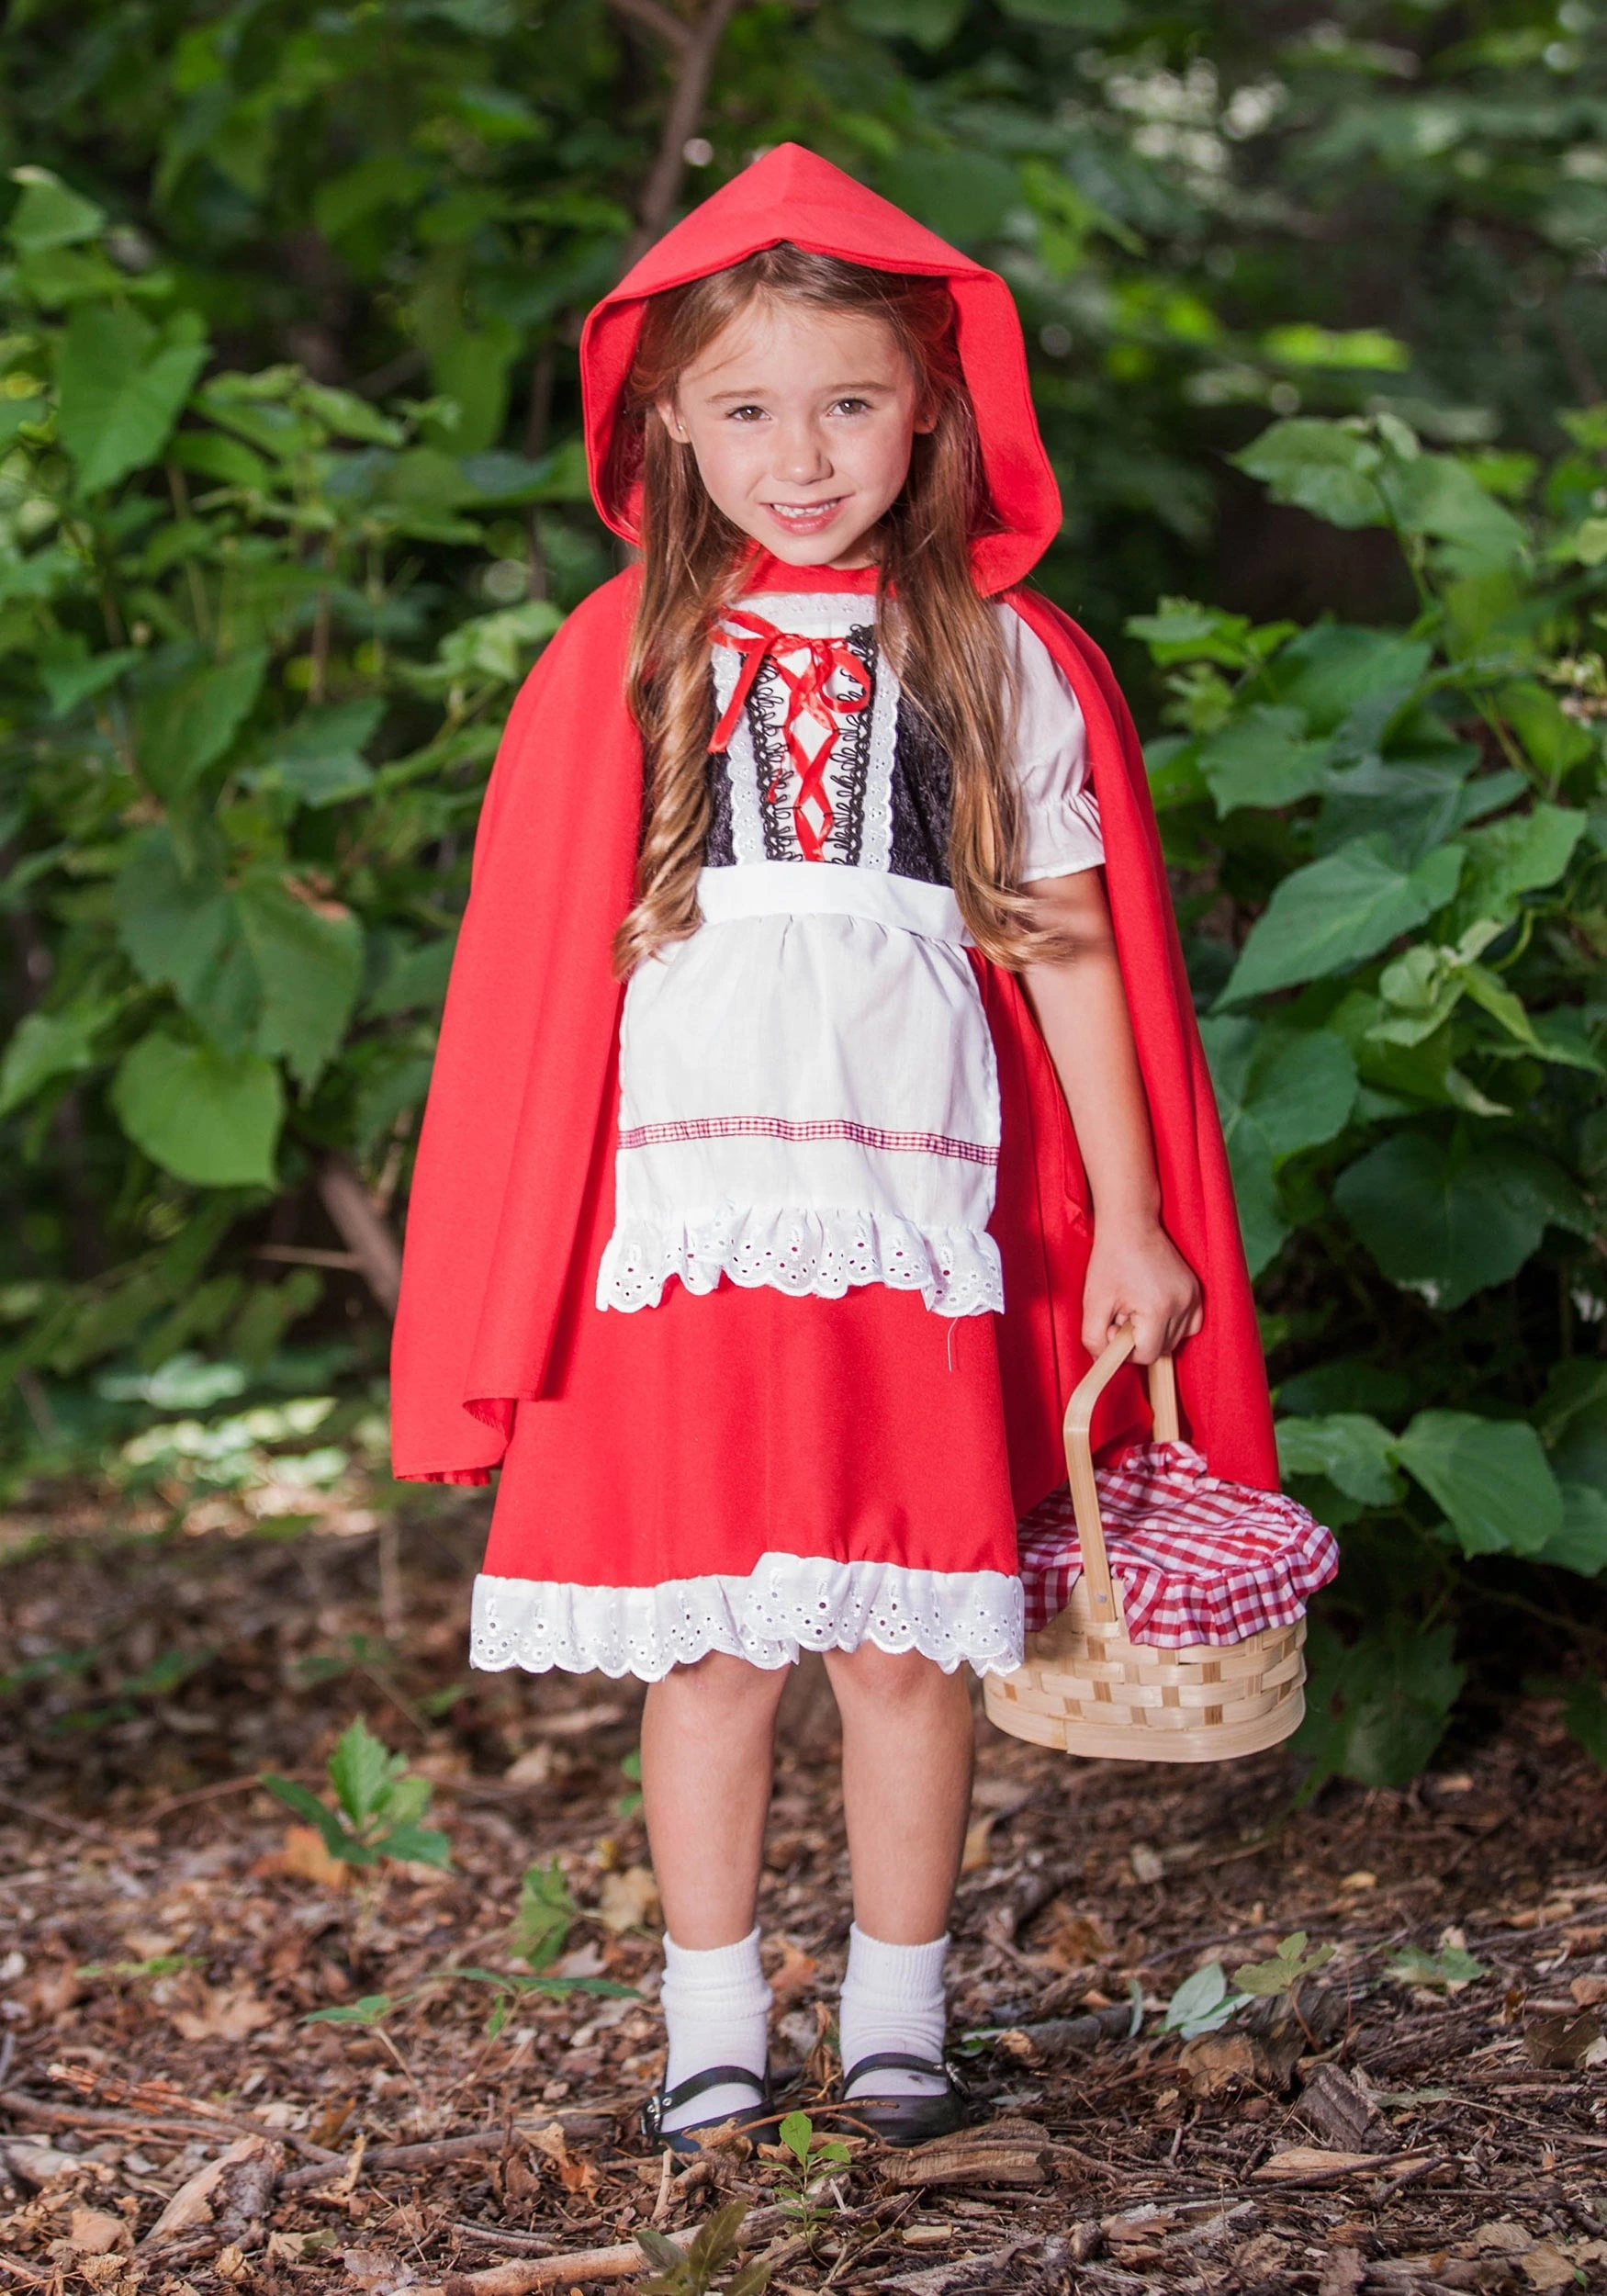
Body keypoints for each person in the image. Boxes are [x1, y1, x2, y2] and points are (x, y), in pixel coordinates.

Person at [391, 144, 1277, 2151]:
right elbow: (537, 1002)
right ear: (665, 427)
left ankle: (896, 2017)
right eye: (746, 412)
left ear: (930, 409)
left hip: (914, 1213)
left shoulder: (997, 653)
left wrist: (1130, 1220)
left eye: (848, 403)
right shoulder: (624, 658)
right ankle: (710, 2025)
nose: (798, 457)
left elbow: (1071, 951)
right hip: (676, 1224)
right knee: (707, 1647)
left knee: (901, 1639)